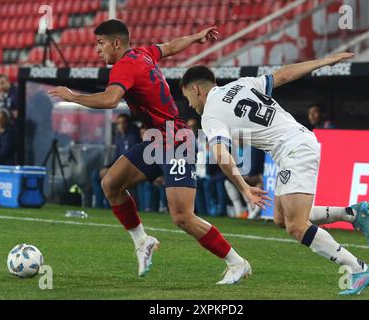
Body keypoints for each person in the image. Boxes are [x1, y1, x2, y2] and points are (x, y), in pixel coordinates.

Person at [48, 20, 250, 284]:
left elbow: (110, 100)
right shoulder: (142, 54)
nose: (97, 50)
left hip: (177, 141)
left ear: (116, 43)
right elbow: (169, 47)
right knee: (111, 183)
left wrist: (73, 96)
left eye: (100, 43)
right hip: (158, 140)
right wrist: (196, 36)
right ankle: (142, 241)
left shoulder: (124, 66)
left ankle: (237, 263)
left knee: (182, 217)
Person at [180, 53, 369, 295]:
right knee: (282, 218)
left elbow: (222, 155)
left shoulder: (210, 114)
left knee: (296, 226)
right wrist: (323, 61)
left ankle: (357, 268)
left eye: (187, 97)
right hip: (295, 143)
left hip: (294, 149)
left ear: (195, 89)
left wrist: (244, 187)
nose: (189, 104)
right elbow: (285, 73)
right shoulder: (242, 83)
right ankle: (352, 213)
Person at [91, 113, 141, 208]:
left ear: (128, 124)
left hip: (129, 169)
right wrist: (107, 167)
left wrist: (110, 170)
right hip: (120, 166)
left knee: (109, 178)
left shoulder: (133, 137)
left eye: (123, 123)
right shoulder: (119, 138)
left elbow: (131, 159)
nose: (121, 126)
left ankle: (109, 205)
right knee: (95, 174)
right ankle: (99, 205)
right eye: (118, 123)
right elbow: (117, 158)